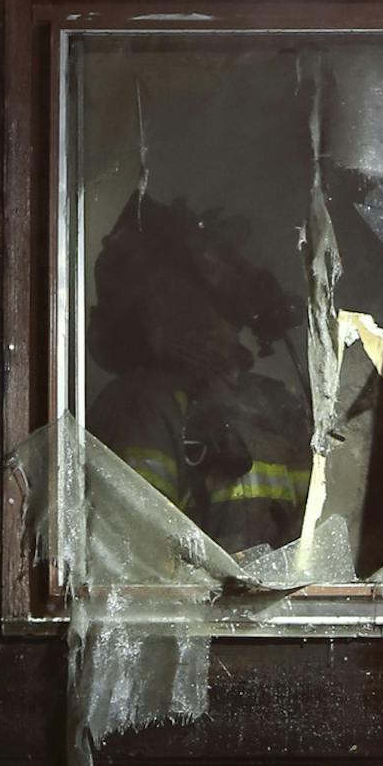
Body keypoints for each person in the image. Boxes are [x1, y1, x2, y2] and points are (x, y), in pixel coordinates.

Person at [82, 196, 313, 554]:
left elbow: (321, 530)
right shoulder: (140, 407)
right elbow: (134, 561)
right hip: (194, 610)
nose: (217, 322)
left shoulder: (274, 407)